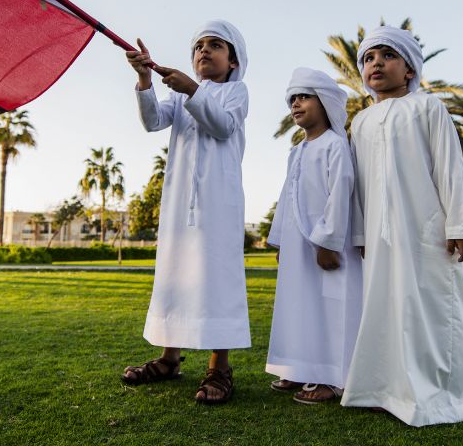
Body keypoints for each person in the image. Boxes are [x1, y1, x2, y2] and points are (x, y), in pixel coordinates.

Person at [340, 26, 463, 426]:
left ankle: (448, 393)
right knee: (386, 310)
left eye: (386, 56)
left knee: (432, 310)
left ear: (409, 69)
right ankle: (386, 389)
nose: (376, 64)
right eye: (368, 59)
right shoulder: (360, 121)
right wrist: (359, 233)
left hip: (427, 229)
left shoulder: (428, 107)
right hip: (378, 234)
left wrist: (461, 223)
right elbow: (358, 183)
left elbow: (449, 166)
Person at [119, 20, 250, 405]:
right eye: (198, 47)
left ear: (233, 60)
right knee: (174, 274)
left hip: (218, 204)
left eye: (215, 45)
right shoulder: (178, 97)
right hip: (178, 202)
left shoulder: (236, 92)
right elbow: (152, 121)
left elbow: (223, 126)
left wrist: (191, 89)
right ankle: (169, 359)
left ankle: (219, 368)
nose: (204, 51)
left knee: (217, 279)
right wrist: (145, 79)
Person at [265, 68, 363, 405]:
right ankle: (302, 366)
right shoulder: (297, 150)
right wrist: (279, 240)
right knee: (300, 306)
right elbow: (287, 196)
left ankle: (336, 379)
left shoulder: (336, 145)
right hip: (297, 247)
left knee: (333, 309)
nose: (295, 104)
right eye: (292, 98)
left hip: (326, 248)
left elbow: (341, 194)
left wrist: (327, 243)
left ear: (326, 103)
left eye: (304, 96)